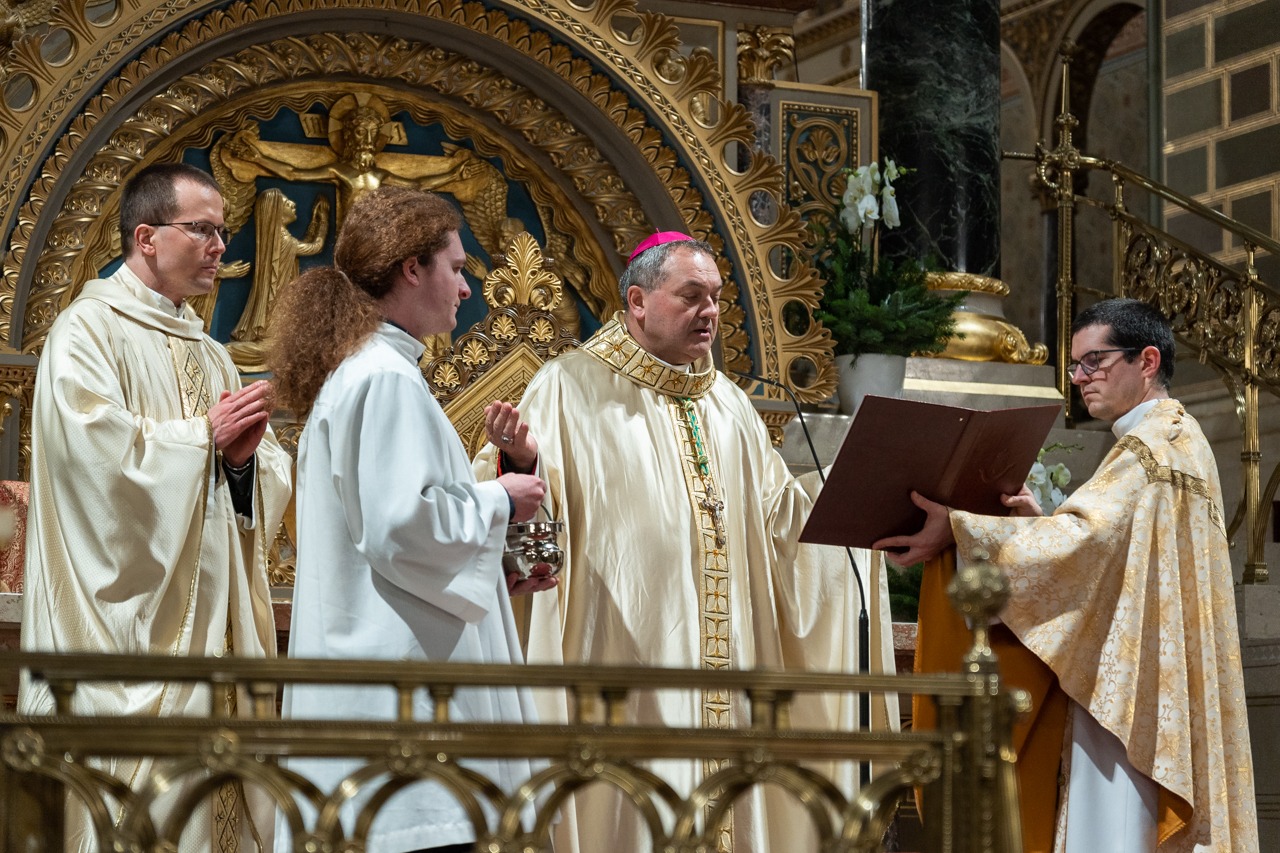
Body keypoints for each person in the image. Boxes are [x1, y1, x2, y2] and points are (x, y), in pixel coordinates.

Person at [475, 231, 897, 853]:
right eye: (692, 295)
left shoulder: (730, 404)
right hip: (621, 656)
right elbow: (526, 535)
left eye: (717, 297)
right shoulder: (568, 388)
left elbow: (783, 525)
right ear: (638, 301)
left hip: (728, 663)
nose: (710, 311)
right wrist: (518, 460)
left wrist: (864, 482)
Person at [877, 298, 1258, 851]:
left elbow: (1086, 542)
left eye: (1094, 361)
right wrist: (1040, 525)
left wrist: (958, 529)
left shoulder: (1149, 448)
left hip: (1128, 698)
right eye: (1075, 365)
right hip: (1152, 676)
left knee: (1113, 827)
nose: (1079, 378)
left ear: (1147, 361)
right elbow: (1113, 554)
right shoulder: (1181, 439)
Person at [268, 185, 552, 853]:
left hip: (388, 687)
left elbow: (391, 533)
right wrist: (501, 498)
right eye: (456, 267)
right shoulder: (384, 379)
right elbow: (402, 526)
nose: (466, 289)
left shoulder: (368, 372)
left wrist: (493, 567)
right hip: (403, 701)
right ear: (412, 269)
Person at [18, 162, 294, 849]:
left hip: (214, 633)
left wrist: (241, 463)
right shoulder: (86, 333)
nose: (221, 246)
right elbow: (93, 461)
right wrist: (203, 438)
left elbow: (258, 472)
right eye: (203, 229)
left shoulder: (214, 355)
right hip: (130, 632)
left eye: (223, 231)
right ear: (146, 237)